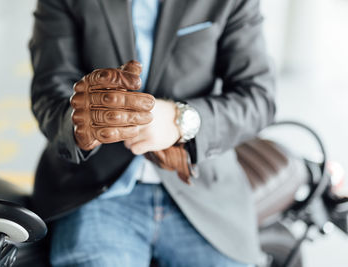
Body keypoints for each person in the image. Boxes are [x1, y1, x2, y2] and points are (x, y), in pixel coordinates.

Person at [29, 0, 275, 266]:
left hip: (204, 193)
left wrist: (181, 119)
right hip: (95, 190)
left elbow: (258, 98)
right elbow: (50, 90)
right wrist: (79, 124)